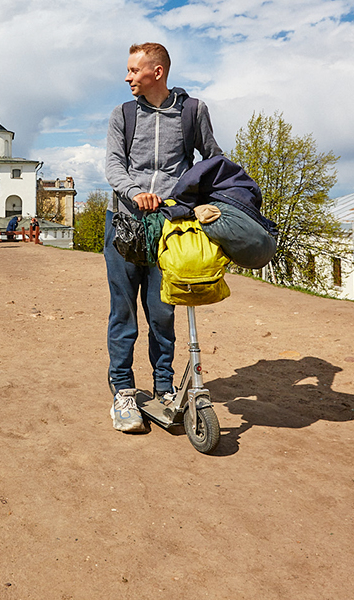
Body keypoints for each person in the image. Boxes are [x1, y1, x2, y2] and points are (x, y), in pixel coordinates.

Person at [103, 42, 222, 433]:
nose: (127, 77)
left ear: (157, 72)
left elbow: (212, 160)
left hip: (170, 228)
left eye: (134, 70)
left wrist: (204, 202)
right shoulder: (122, 114)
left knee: (162, 312)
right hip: (125, 225)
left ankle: (164, 389)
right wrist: (136, 193)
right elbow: (114, 166)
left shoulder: (192, 111)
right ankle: (123, 391)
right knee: (124, 313)